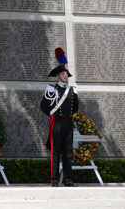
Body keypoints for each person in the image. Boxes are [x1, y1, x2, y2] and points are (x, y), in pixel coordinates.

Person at [40, 48, 78, 187]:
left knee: (68, 153)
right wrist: (54, 115)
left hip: (68, 122)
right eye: (63, 73)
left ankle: (68, 180)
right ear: (58, 75)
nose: (65, 75)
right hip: (57, 122)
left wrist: (67, 117)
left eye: (66, 73)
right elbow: (43, 106)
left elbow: (76, 108)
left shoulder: (73, 90)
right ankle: (54, 180)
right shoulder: (51, 89)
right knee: (55, 153)